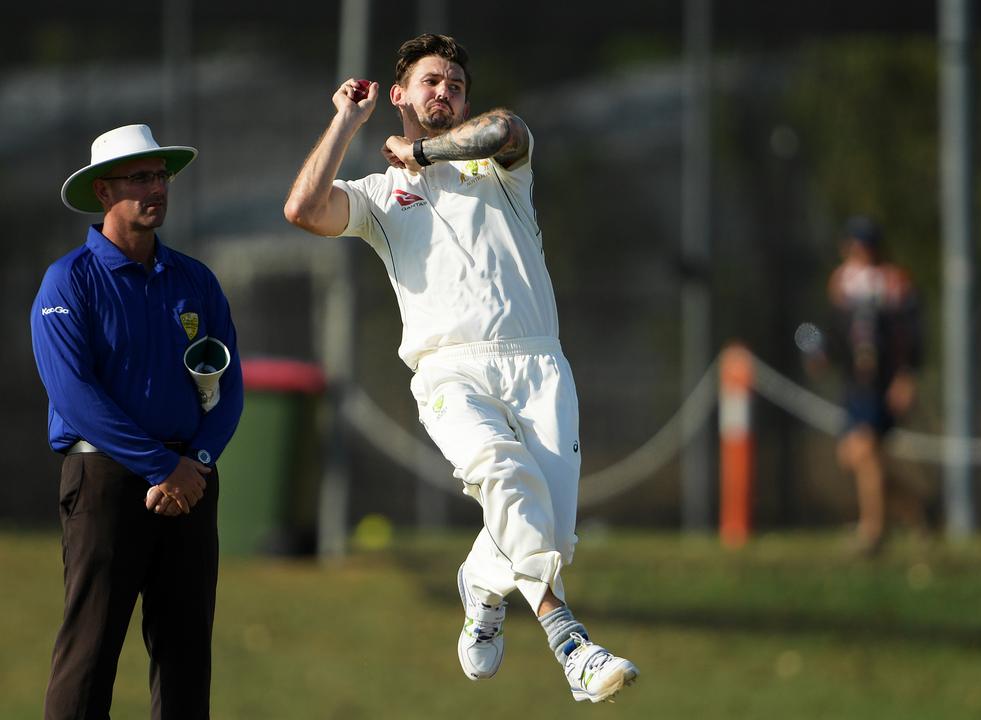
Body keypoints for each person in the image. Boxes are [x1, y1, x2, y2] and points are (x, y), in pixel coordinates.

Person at [283, 34, 638, 703]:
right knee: (505, 477)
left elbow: (507, 128)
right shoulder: (379, 196)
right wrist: (345, 121)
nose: (443, 92)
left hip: (540, 367)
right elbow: (302, 209)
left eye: (454, 84)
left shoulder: (503, 168)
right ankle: (572, 644)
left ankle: (480, 582)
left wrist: (421, 150)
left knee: (552, 533)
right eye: (429, 82)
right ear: (399, 96)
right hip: (450, 374)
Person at [32, 123, 244, 719]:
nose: (156, 188)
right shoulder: (68, 280)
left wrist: (195, 464)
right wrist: (161, 467)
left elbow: (229, 387)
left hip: (191, 480)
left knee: (185, 654)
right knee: (90, 650)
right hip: (103, 482)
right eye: (139, 178)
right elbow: (75, 396)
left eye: (161, 176)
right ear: (103, 192)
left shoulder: (196, 279)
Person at [809, 216, 922, 554]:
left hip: (882, 381)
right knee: (853, 456)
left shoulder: (894, 281)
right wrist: (820, 352)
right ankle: (916, 514)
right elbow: (830, 329)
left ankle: (873, 530)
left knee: (867, 449)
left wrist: (906, 376)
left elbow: (913, 334)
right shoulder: (841, 282)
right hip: (854, 381)